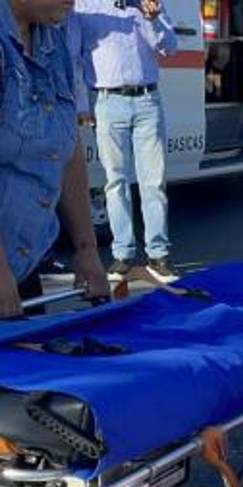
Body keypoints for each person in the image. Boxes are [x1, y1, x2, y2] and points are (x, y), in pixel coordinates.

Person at [2, 0, 125, 487]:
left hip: (22, 248)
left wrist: (86, 248)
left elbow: (67, 147)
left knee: (21, 384)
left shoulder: (50, 39)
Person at [72, 0, 177, 285]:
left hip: (147, 98)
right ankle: (123, 253)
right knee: (115, 181)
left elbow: (170, 47)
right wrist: (82, 105)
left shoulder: (148, 4)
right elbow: (75, 57)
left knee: (153, 181)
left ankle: (158, 254)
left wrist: (153, 19)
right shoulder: (85, 6)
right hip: (107, 100)